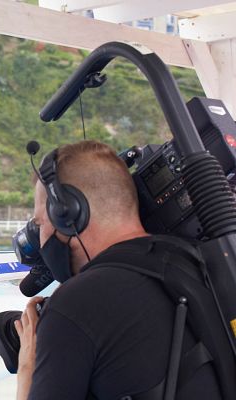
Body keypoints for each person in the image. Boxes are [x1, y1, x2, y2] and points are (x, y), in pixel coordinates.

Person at [14, 140, 222, 399]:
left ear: (68, 216)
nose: (40, 237)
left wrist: (28, 369)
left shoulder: (75, 304)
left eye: (39, 223)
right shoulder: (194, 260)